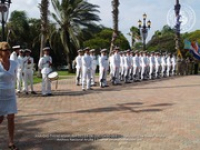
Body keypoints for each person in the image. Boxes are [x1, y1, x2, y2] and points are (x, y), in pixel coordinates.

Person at [0, 42, 19, 150]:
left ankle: (11, 142)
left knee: (11, 118)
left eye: (8, 50)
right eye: (5, 50)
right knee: (0, 118)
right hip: (0, 95)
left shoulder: (14, 63)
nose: (7, 52)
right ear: (0, 52)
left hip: (11, 94)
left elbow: (15, 78)